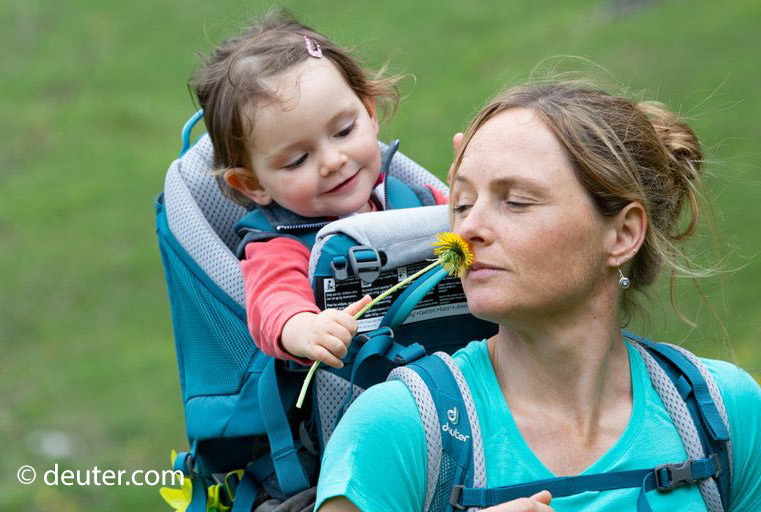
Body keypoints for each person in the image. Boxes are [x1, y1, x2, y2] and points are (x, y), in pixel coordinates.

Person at [315, 81, 761, 511]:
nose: (467, 229)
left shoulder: (722, 415)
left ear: (623, 235)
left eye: (517, 201)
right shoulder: (399, 427)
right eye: (464, 202)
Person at [191, 11, 447, 368]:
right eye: (297, 160)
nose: (332, 161)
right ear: (253, 184)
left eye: (343, 131)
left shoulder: (416, 200)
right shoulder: (280, 245)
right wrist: (304, 328)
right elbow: (273, 302)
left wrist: (476, 194)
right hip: (362, 391)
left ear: (369, 113)